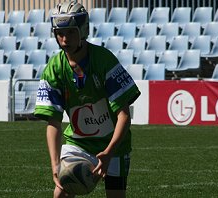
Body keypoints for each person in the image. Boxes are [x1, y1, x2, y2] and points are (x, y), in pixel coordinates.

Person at [34, 1, 141, 197]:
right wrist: (55, 163)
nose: (65, 39)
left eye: (71, 32)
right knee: (60, 194)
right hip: (79, 144)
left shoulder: (104, 60)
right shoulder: (54, 68)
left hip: (114, 145)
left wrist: (109, 152)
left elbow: (124, 115)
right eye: (60, 33)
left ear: (83, 30)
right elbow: (53, 122)